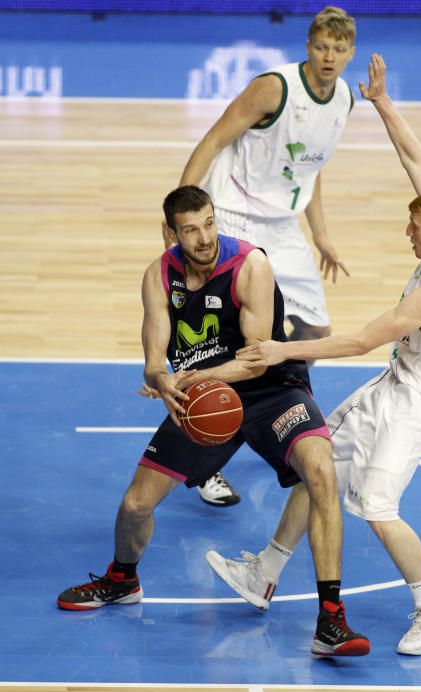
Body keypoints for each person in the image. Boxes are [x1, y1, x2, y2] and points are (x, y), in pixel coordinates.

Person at [206, 54, 421, 656]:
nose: (406, 233)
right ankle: (265, 573)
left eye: (413, 229)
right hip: (398, 382)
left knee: (378, 509)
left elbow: (357, 341)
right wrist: (383, 104)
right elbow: (416, 159)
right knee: (317, 465)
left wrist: (282, 347)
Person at [57, 185, 370, 658]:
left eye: (208, 223)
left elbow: (255, 360)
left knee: (321, 472)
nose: (203, 238)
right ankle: (122, 578)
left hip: (271, 389)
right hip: (203, 402)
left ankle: (331, 620)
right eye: (190, 230)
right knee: (135, 505)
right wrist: (162, 379)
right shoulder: (158, 277)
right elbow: (153, 358)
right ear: (170, 233)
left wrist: (195, 375)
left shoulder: (250, 266)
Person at [174, 5, 356, 507]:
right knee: (228, 346)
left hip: (281, 224)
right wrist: (183, 210)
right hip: (231, 215)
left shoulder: (343, 99)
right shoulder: (273, 88)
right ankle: (208, 451)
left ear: (350, 54)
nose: (329, 56)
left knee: (314, 333)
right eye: (322, 46)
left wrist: (320, 236)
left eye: (339, 49)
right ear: (308, 46)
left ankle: (279, 406)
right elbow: (213, 139)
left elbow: (309, 173)